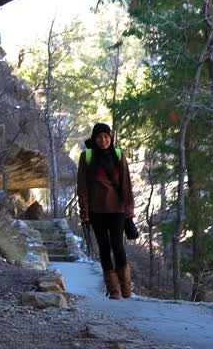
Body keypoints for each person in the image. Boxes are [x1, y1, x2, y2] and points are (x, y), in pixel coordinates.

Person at [77, 123, 135, 299]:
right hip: (96, 210)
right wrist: (84, 210)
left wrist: (129, 208)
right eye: (99, 137)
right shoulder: (86, 156)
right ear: (94, 139)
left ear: (111, 138)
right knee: (103, 247)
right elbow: (82, 186)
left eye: (106, 137)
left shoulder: (118, 155)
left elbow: (126, 184)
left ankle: (125, 284)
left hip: (117, 209)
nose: (103, 140)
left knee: (117, 245)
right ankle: (113, 288)